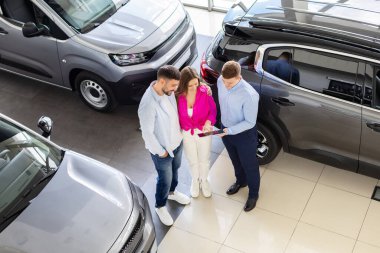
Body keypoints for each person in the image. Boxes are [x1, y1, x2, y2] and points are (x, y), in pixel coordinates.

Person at [138, 65, 191, 226]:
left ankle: (172, 193)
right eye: (173, 85)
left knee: (175, 171)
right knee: (164, 179)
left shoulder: (168, 91)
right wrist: (161, 152)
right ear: (162, 81)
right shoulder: (148, 104)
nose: (175, 88)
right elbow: (147, 134)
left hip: (177, 142)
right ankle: (160, 205)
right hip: (163, 151)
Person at [217, 61, 260, 212]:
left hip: (244, 135)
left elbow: (249, 122)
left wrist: (229, 131)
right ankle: (241, 182)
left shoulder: (250, 95)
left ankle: (253, 195)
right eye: (224, 81)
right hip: (225, 130)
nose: (226, 86)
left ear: (239, 77)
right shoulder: (220, 81)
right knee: (235, 160)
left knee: (250, 165)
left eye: (230, 83)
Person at [176, 67, 217, 198]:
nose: (194, 87)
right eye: (191, 85)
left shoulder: (205, 91)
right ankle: (195, 180)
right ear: (184, 84)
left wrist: (208, 122)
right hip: (187, 133)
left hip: (204, 131)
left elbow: (213, 111)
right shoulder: (178, 96)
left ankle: (204, 181)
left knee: (204, 159)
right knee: (192, 159)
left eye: (196, 83)